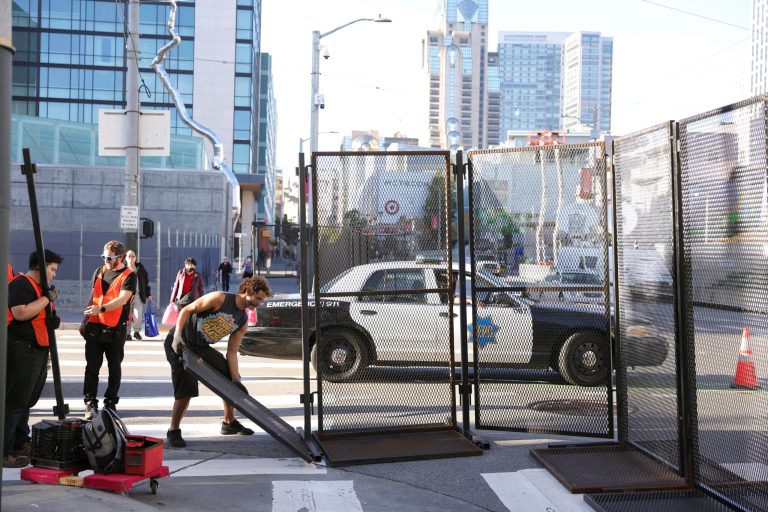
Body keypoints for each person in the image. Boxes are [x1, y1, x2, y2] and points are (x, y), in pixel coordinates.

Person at [163, 276, 271, 448]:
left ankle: (229, 423)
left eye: (262, 301)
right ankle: (173, 430)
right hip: (179, 342)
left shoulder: (242, 321)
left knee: (228, 377)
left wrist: (236, 380)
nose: (259, 303)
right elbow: (186, 310)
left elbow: (232, 352)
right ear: (248, 292)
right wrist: (177, 336)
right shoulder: (219, 298)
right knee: (186, 389)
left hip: (200, 346)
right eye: (258, 298)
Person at [5, 249, 62, 468]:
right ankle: (5, 450)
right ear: (39, 266)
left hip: (37, 348)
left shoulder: (40, 288)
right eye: (52, 269)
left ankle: (20, 442)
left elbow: (39, 313)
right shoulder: (22, 283)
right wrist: (46, 300)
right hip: (22, 348)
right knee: (15, 402)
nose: (54, 274)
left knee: (26, 401)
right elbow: (20, 312)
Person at [82, 240, 136, 420]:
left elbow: (123, 299)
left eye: (109, 257)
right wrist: (85, 319)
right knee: (91, 367)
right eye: (103, 256)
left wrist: (102, 308)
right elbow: (93, 295)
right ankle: (90, 402)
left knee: (114, 368)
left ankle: (110, 402)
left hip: (115, 329)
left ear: (120, 257)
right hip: (94, 325)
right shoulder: (99, 271)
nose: (105, 259)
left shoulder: (129, 275)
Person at [125, 250, 152, 340]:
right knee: (127, 315)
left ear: (136, 258)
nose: (131, 258)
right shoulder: (123, 269)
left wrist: (148, 293)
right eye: (129, 256)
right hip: (126, 295)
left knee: (138, 314)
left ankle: (136, 332)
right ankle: (127, 333)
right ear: (126, 258)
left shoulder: (140, 268)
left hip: (138, 295)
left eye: (133, 256)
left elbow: (145, 281)